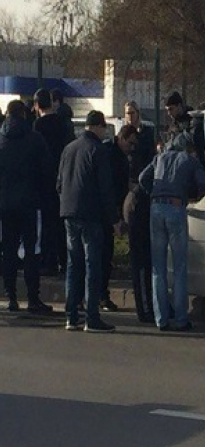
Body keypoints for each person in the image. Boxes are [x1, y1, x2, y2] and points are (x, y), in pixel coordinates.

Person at [139, 132, 205, 331]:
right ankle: (181, 319)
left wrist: (154, 194)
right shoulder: (189, 159)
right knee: (179, 267)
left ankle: (161, 319)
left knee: (158, 268)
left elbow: (142, 178)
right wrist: (193, 194)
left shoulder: (160, 157)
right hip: (176, 207)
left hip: (156, 208)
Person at [57, 110, 119, 333]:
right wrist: (114, 219)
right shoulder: (98, 150)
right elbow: (105, 189)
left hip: (69, 212)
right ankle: (91, 317)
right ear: (98, 127)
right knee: (93, 264)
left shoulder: (69, 149)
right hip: (91, 215)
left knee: (74, 265)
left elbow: (59, 183)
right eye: (103, 128)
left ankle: (71, 316)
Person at [0, 100, 53, 314]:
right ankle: (32, 298)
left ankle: (10, 296)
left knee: (8, 250)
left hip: (4, 203)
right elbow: (47, 171)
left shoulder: (1, 140)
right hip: (29, 202)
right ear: (23, 114)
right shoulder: (34, 139)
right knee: (31, 251)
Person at [96, 124, 137, 312]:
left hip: (107, 211)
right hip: (106, 213)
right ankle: (101, 296)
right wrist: (115, 218)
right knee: (103, 257)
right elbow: (111, 189)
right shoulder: (113, 156)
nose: (132, 147)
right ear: (121, 138)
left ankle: (97, 296)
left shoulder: (115, 153)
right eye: (130, 143)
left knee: (102, 256)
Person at [33, 88, 74, 276]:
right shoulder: (62, 124)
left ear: (36, 106)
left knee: (47, 223)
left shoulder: (38, 126)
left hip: (44, 181)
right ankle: (65, 261)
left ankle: (48, 262)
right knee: (62, 225)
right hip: (63, 179)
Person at [123, 102, 156, 323]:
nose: (129, 117)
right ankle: (144, 307)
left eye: (132, 113)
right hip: (133, 199)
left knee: (143, 258)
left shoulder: (144, 137)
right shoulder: (123, 139)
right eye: (127, 114)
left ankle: (146, 305)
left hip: (139, 197)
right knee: (140, 258)